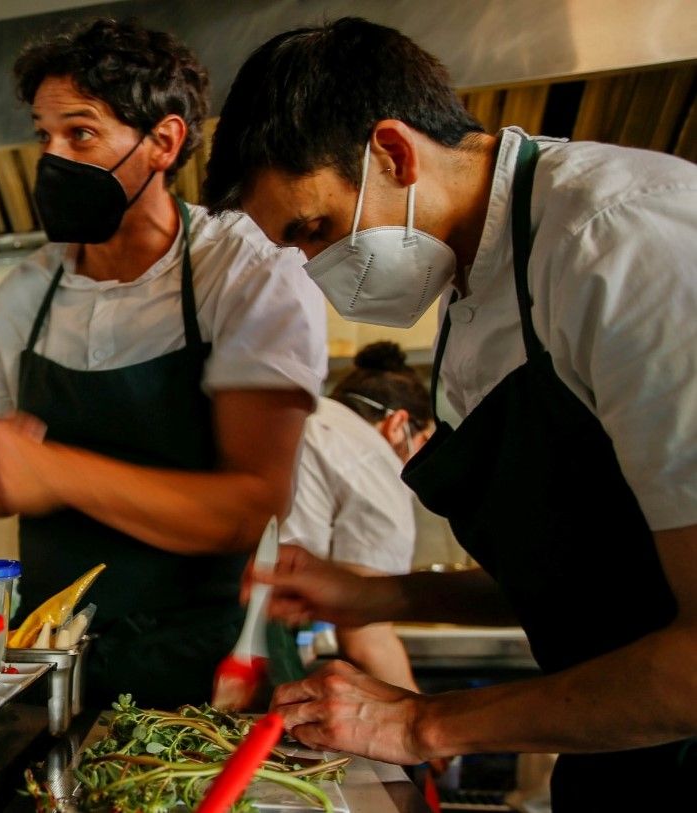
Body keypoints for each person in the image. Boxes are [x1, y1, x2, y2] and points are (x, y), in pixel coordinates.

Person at [204, 17, 697, 807]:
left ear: (393, 154)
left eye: (315, 229)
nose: (318, 271)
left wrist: (420, 726)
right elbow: (598, 574)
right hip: (621, 755)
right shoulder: (473, 292)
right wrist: (389, 595)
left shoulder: (624, 242)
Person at [0, 19, 327, 709]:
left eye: (80, 134)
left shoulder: (241, 272)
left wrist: (56, 470)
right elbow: (1, 490)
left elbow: (249, 505)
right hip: (51, 661)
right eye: (42, 135)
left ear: (164, 142)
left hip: (202, 671)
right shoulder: (26, 294)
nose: (51, 157)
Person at [282, 341, 435, 691]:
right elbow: (367, 638)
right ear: (398, 424)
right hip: (250, 627)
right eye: (425, 441)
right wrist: (428, 737)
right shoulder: (373, 460)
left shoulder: (304, 414)